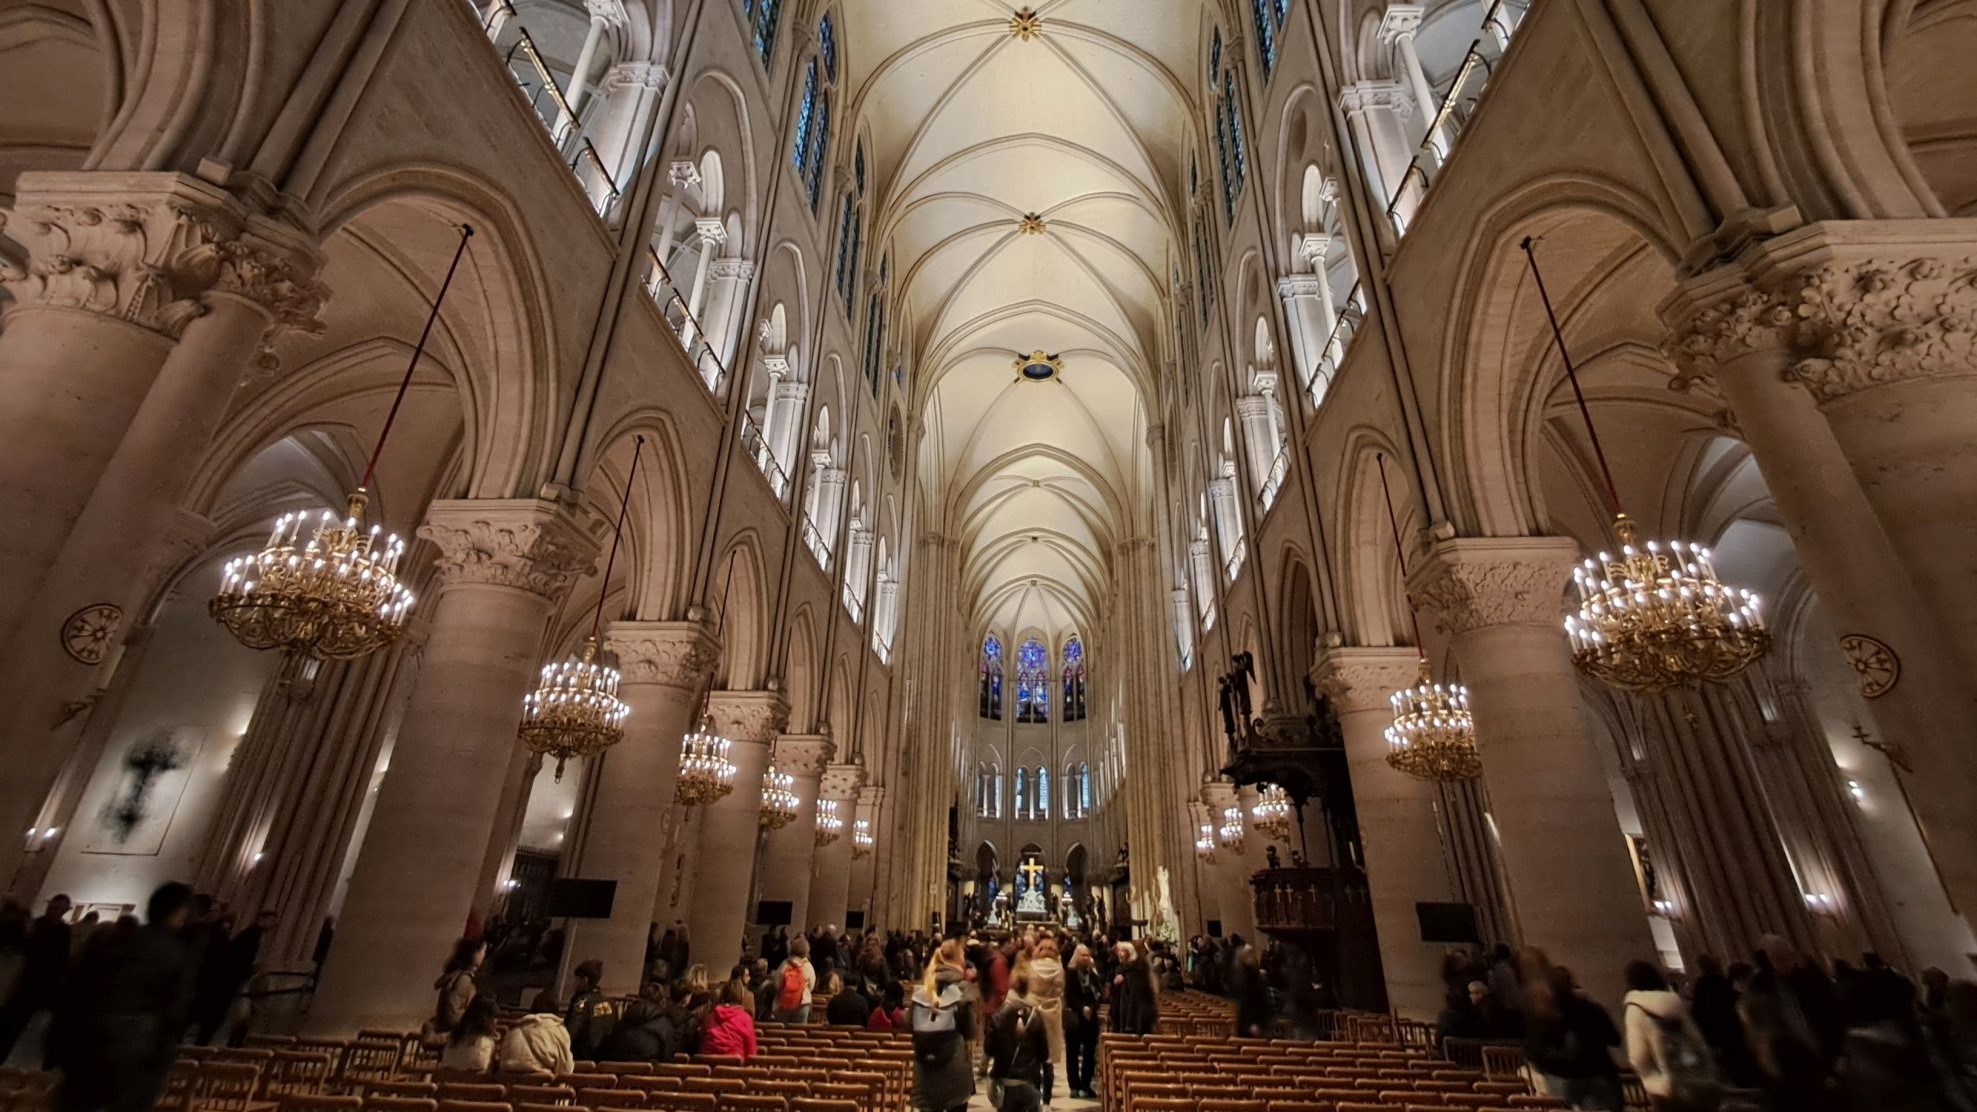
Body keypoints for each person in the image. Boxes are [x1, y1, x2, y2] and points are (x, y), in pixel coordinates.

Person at [49, 882, 194, 1112]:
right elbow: (173, 1012)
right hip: (134, 1051)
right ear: (180, 913)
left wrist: (59, 1046)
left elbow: (75, 989)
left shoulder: (115, 940)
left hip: (89, 1041)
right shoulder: (174, 953)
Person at [1621, 961, 1721, 1112]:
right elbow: (1697, 1040)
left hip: (1665, 1088)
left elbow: (1638, 1056)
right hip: (1696, 1081)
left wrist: (1652, 1080)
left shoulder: (1635, 1009)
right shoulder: (1674, 1002)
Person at [1523, 966, 1623, 1111]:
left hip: (1564, 1083)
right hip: (1601, 1076)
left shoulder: (1544, 1016)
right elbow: (1615, 1039)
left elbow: (1534, 1053)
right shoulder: (1591, 1009)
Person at [911, 938, 980, 1112]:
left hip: (925, 1067)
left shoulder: (922, 989)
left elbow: (907, 1023)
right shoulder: (962, 990)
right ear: (958, 959)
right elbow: (972, 1032)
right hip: (953, 1067)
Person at [0, 893, 70, 1064]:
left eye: (57, 908)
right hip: (22, 983)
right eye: (52, 906)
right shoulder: (37, 925)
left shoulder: (63, 932)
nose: (52, 910)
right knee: (8, 1025)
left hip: (36, 987)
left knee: (13, 1029)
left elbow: (60, 962)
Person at [986, 970, 1050, 1112]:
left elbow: (988, 1049)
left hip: (1006, 1083)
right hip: (1029, 1082)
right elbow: (1044, 1055)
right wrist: (1047, 1097)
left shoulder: (997, 1017)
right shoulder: (1036, 1016)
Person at [598, 980, 684, 1064]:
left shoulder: (625, 1018)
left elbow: (606, 1049)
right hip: (650, 1073)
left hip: (618, 1072)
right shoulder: (666, 1025)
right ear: (662, 1002)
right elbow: (668, 1059)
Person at [1026, 936, 1067, 1105]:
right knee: (1048, 1059)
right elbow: (1060, 989)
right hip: (1052, 1014)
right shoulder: (1058, 969)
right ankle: (1047, 1100)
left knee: (1034, 1057)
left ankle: (1034, 1096)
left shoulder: (1032, 967)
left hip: (1035, 1011)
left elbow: (1027, 987)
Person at [1063, 943, 1103, 1100]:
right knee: (1072, 1053)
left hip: (1090, 1019)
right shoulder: (1070, 973)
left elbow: (1099, 992)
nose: (1086, 958)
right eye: (1083, 955)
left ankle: (1085, 1085)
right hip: (1075, 1017)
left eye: (1088, 955)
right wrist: (1082, 1008)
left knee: (1089, 1053)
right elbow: (1069, 994)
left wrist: (1092, 1008)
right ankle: (1074, 1085)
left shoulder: (1092, 973)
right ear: (1077, 956)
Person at [500, 992, 574, 1075]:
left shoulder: (513, 1031)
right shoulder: (559, 1031)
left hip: (511, 1085)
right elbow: (565, 1070)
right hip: (544, 1085)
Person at [429, 936, 485, 1038]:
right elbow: (452, 1012)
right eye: (481, 952)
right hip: (455, 1033)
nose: (483, 956)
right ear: (474, 954)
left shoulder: (453, 976)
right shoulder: (463, 980)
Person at [564, 958, 614, 1059]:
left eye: (577, 979)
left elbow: (571, 1031)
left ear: (585, 980)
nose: (574, 984)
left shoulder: (581, 1002)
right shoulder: (610, 1002)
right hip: (603, 1056)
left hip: (582, 1056)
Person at [1109, 941, 1158, 1035]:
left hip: (1135, 1014)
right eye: (1119, 951)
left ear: (1130, 952)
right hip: (1121, 1010)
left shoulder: (1136, 970)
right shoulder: (1121, 969)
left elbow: (1136, 995)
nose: (1119, 954)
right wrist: (1115, 984)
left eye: (1123, 951)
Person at [440, 996, 499, 1074]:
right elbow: (483, 1067)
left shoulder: (453, 1037)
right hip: (473, 1084)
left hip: (446, 1083)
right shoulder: (485, 1043)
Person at [701, 979, 758, 1059]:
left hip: (710, 1066)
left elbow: (700, 1044)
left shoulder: (709, 1017)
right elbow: (751, 1053)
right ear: (741, 997)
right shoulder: (746, 1019)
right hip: (736, 1067)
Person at [773, 936, 817, 1024]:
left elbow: (777, 983)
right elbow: (812, 986)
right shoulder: (808, 966)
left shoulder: (784, 964)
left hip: (783, 1002)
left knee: (780, 1031)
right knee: (799, 1032)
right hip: (802, 1002)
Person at [1231, 944, 1271, 1038]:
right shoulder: (1242, 976)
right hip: (1249, 1022)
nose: (1252, 956)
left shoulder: (1254, 976)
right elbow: (1245, 1002)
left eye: (1252, 953)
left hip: (1255, 1021)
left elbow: (1261, 1001)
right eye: (1249, 954)